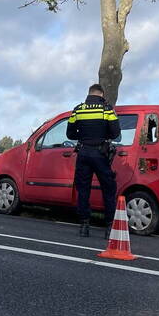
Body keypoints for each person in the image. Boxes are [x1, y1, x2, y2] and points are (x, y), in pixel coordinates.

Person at [66, 83, 120, 237]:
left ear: (89, 93)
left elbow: (70, 134)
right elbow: (115, 132)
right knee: (108, 190)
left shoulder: (78, 109)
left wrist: (83, 137)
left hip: (83, 153)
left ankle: (84, 226)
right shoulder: (106, 109)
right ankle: (109, 228)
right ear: (101, 95)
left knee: (83, 190)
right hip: (100, 154)